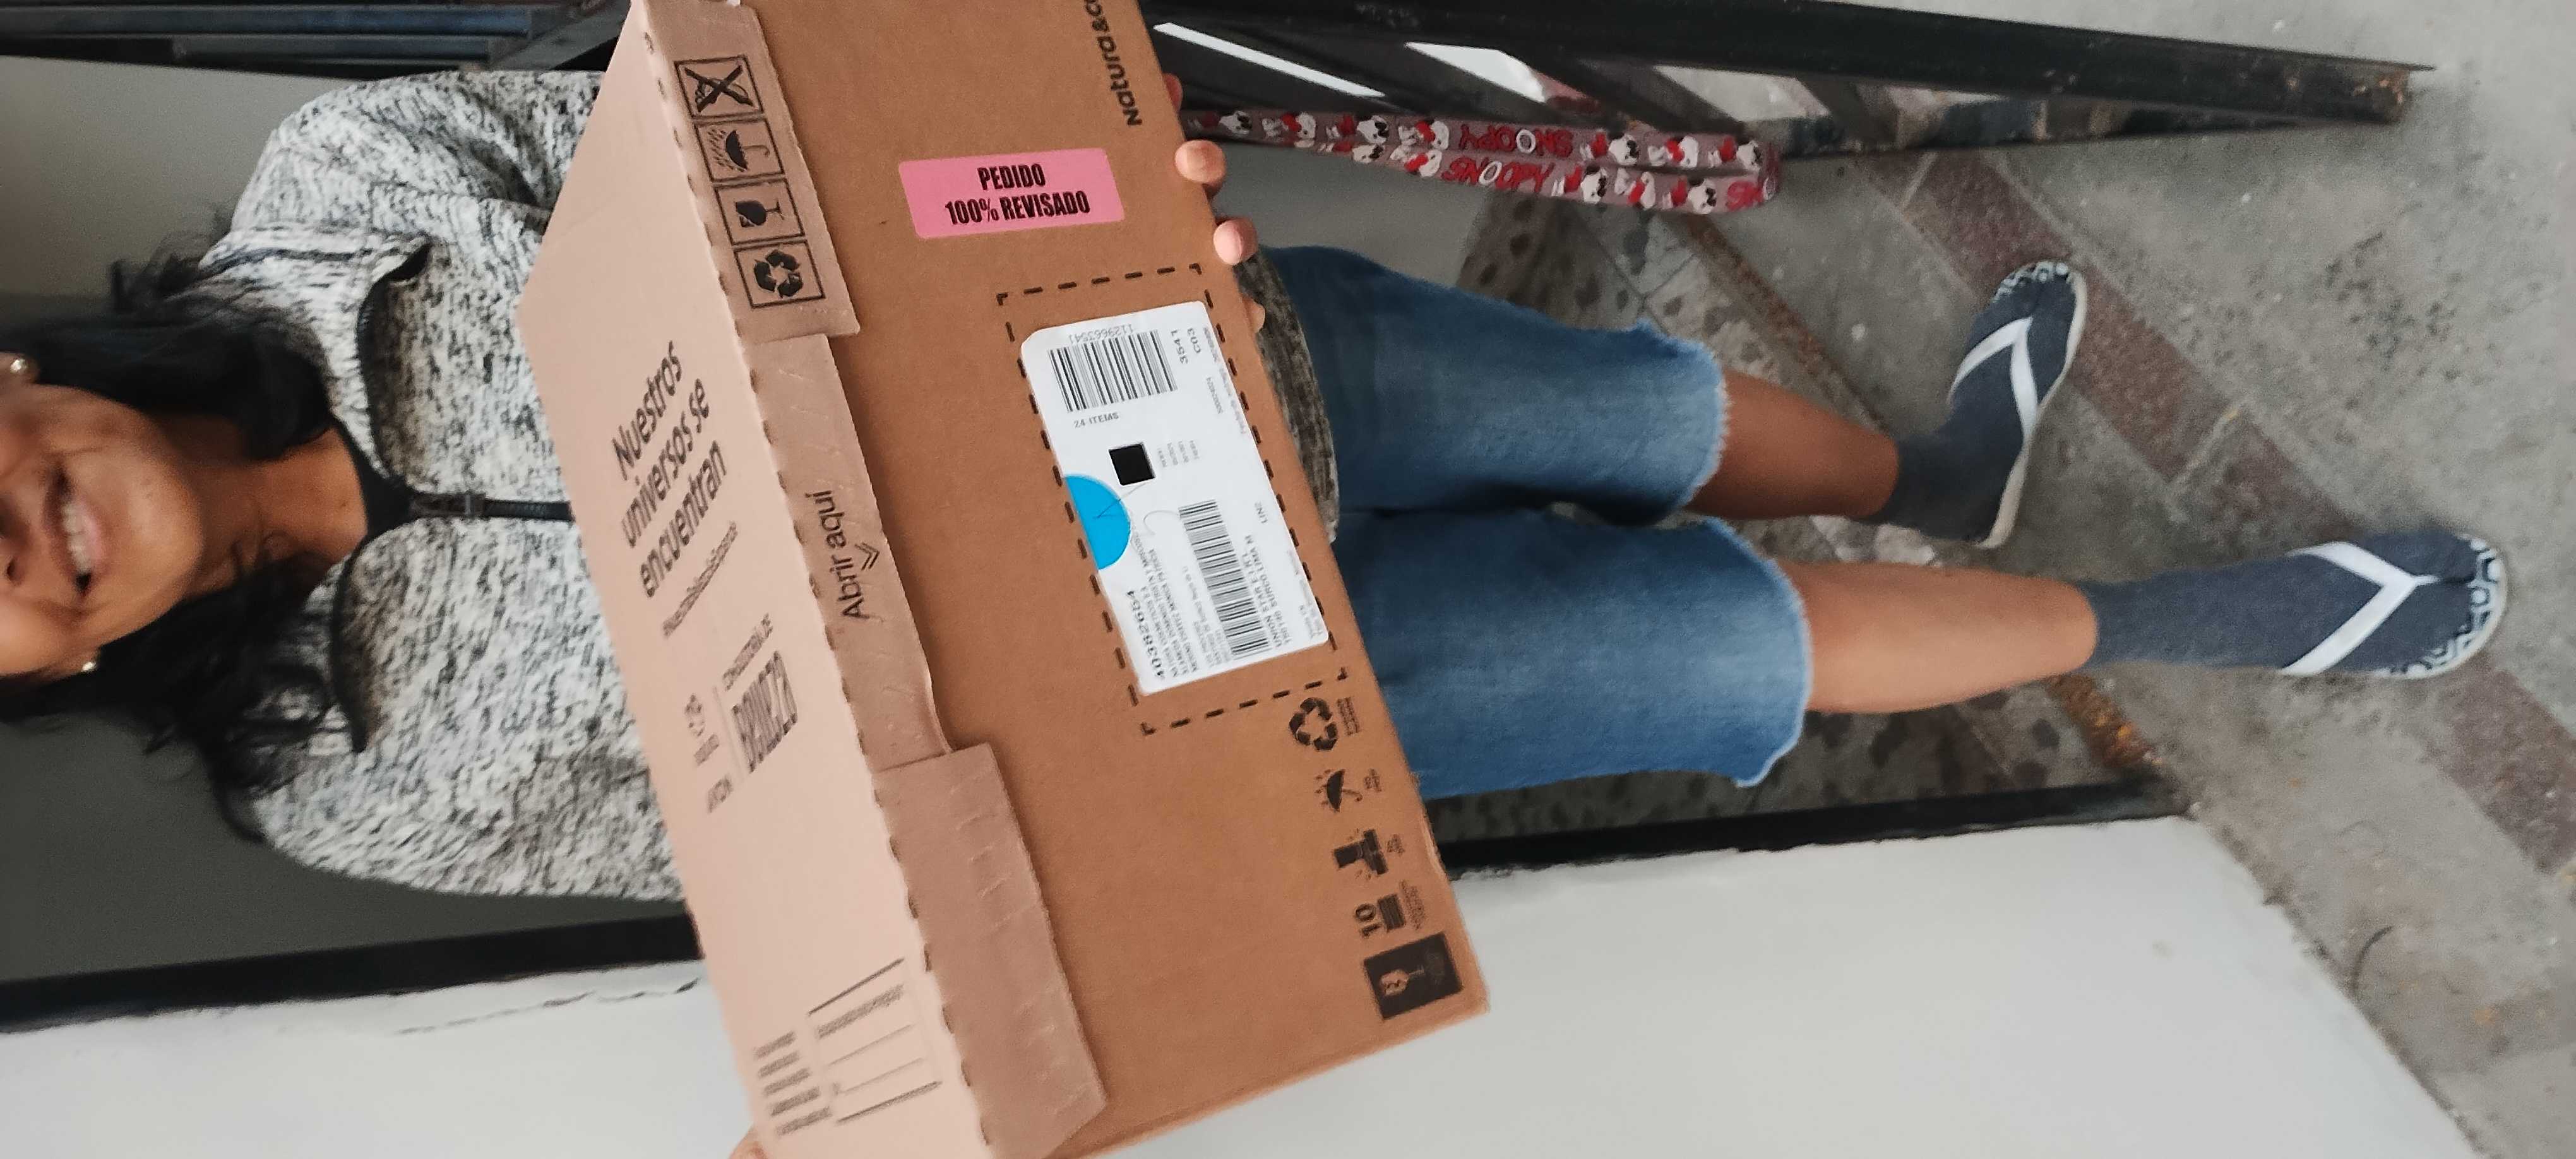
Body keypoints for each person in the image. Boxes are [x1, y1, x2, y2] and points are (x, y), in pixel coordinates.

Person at [0, 72, 2502, 899]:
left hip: (1181, 355)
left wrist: (1057, 173)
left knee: (1631, 415)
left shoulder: (352, 185)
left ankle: (1941, 467)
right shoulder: (333, 783)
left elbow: (761, 125)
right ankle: (2211, 618)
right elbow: (748, 858)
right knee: (1712, 646)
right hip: (1189, 680)